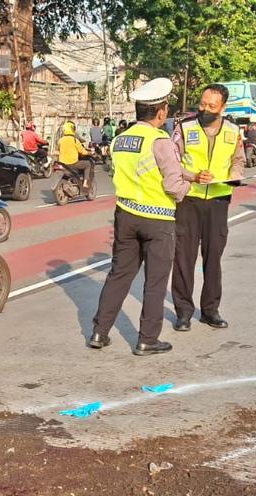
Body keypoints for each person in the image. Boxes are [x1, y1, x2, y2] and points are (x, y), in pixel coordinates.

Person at [90, 78, 190, 356]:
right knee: (155, 281)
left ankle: (100, 332)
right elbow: (172, 185)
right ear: (161, 112)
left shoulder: (120, 140)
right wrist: (188, 186)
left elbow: (123, 171)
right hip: (158, 220)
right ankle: (147, 339)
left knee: (118, 275)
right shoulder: (161, 141)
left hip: (126, 214)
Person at [171, 83, 247, 332]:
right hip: (189, 200)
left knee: (213, 257)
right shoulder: (184, 127)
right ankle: (183, 312)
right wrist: (191, 175)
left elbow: (239, 160)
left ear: (223, 107)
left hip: (218, 200)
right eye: (202, 103)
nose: (204, 109)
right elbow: (172, 162)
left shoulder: (234, 131)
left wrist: (235, 175)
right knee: (184, 258)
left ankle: (210, 311)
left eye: (211, 106)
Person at [57, 121, 94, 196]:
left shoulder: (60, 140)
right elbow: (82, 152)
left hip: (62, 163)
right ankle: (85, 183)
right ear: (72, 129)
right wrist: (90, 153)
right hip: (73, 163)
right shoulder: (74, 140)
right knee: (87, 164)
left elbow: (58, 149)